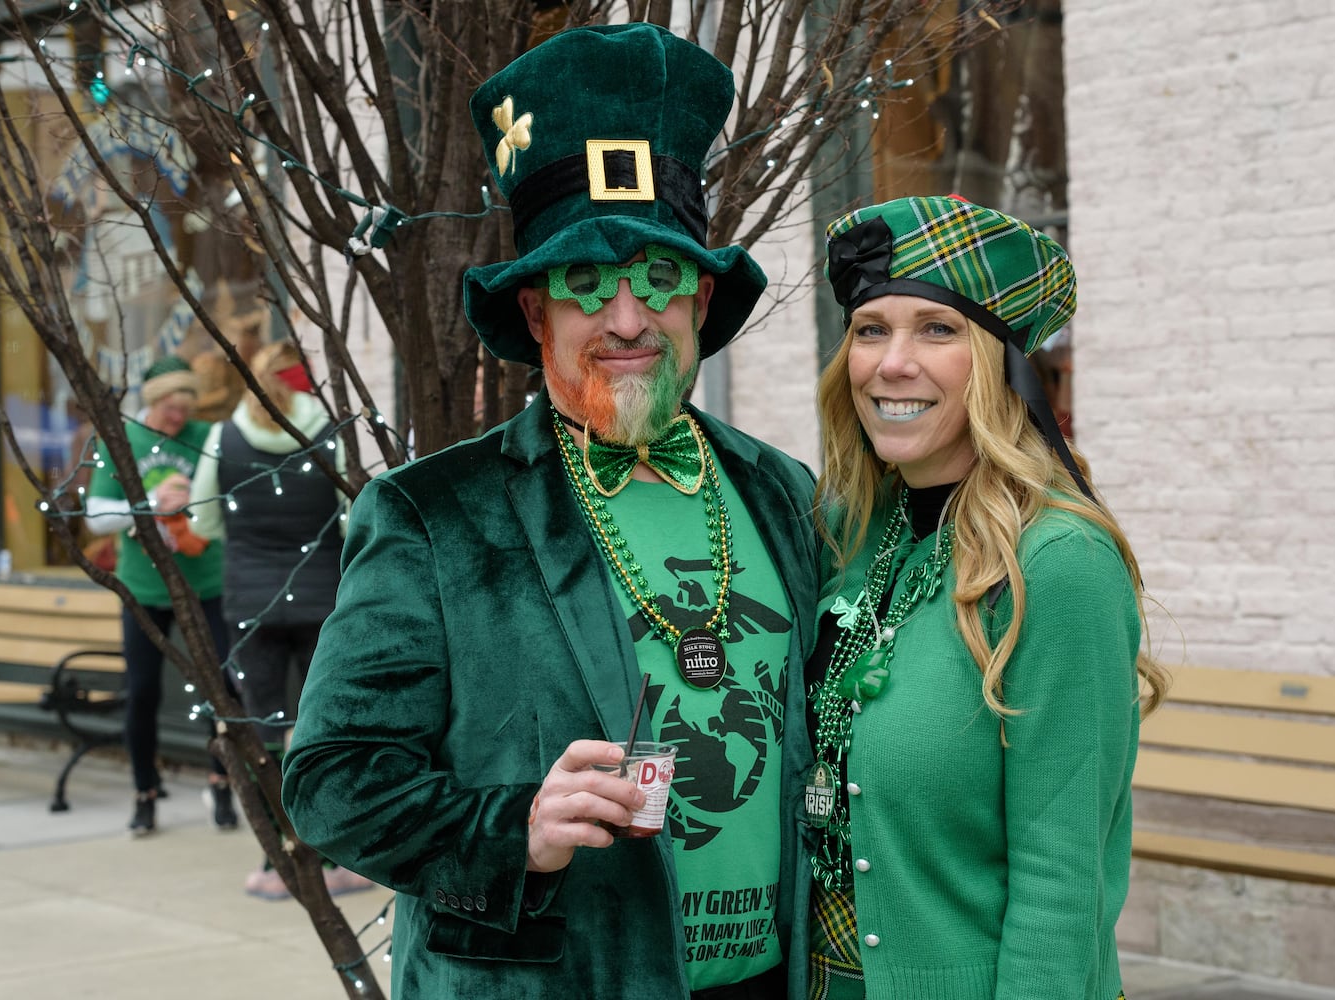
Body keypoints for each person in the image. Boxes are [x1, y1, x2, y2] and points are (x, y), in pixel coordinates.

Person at [282, 23, 818, 1000]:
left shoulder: (781, 492)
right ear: (534, 315)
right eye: (587, 286)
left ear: (700, 298)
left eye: (658, 279)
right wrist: (512, 829)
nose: (626, 319)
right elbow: (329, 782)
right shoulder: (433, 517)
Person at [804, 194, 1169, 999]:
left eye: (938, 330)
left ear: (1000, 366)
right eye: (872, 330)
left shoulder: (1060, 563)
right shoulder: (853, 532)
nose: (892, 363)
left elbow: (1062, 877)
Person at [189, 342, 369, 899]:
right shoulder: (327, 433)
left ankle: (277, 860)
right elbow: (350, 521)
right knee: (326, 729)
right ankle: (336, 854)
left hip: (250, 603)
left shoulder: (225, 436)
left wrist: (249, 546)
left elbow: (201, 518)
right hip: (321, 601)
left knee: (262, 732)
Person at [85, 355, 238, 836]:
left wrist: (192, 501)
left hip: (205, 585)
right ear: (153, 402)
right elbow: (94, 516)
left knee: (222, 689)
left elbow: (229, 498)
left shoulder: (206, 437)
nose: (180, 416)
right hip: (143, 588)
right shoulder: (122, 440)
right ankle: (144, 792)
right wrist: (152, 505)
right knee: (143, 693)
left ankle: (222, 783)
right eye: (172, 406)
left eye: (187, 405)